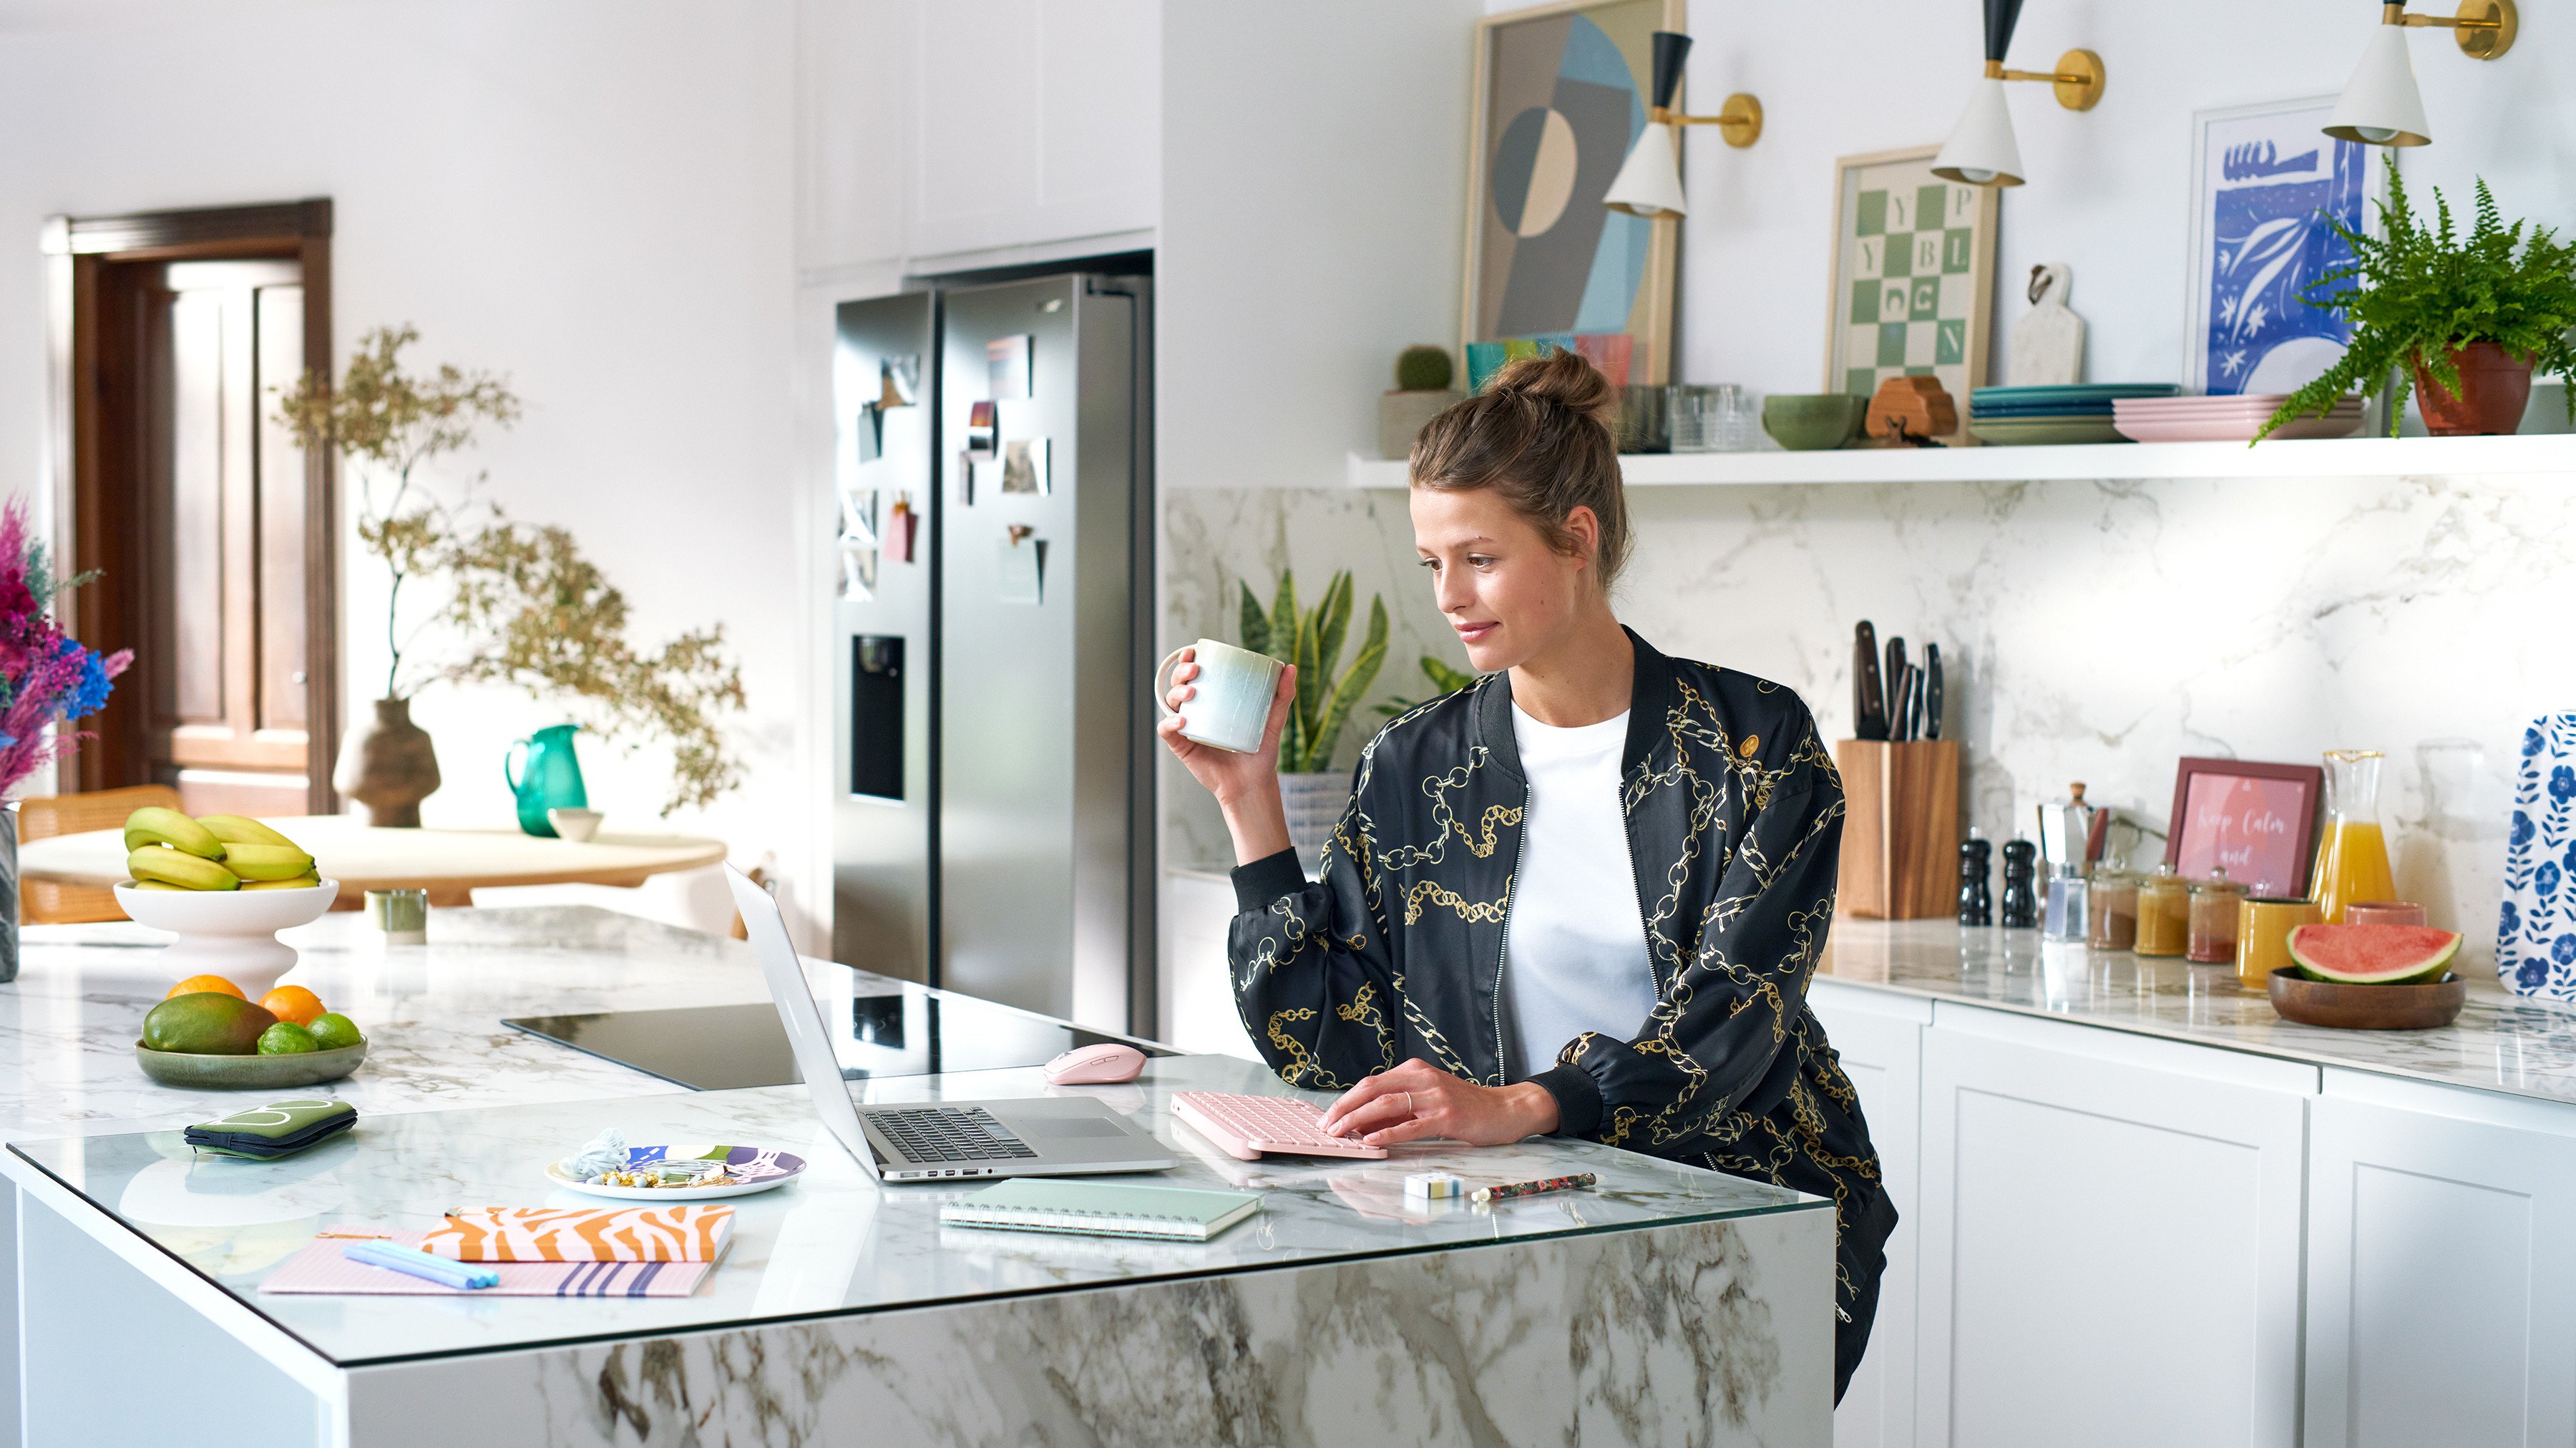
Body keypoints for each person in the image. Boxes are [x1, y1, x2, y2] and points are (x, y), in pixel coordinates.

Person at [1158, 348, 1892, 1400]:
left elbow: (1737, 1020)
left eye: (1480, 558)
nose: (1449, 596)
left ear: (1577, 539)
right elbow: (1331, 1047)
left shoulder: (1752, 743)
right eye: (1431, 563)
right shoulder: (1414, 763)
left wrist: (1527, 1104)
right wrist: (1247, 801)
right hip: (1503, 1223)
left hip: (1743, 1215)